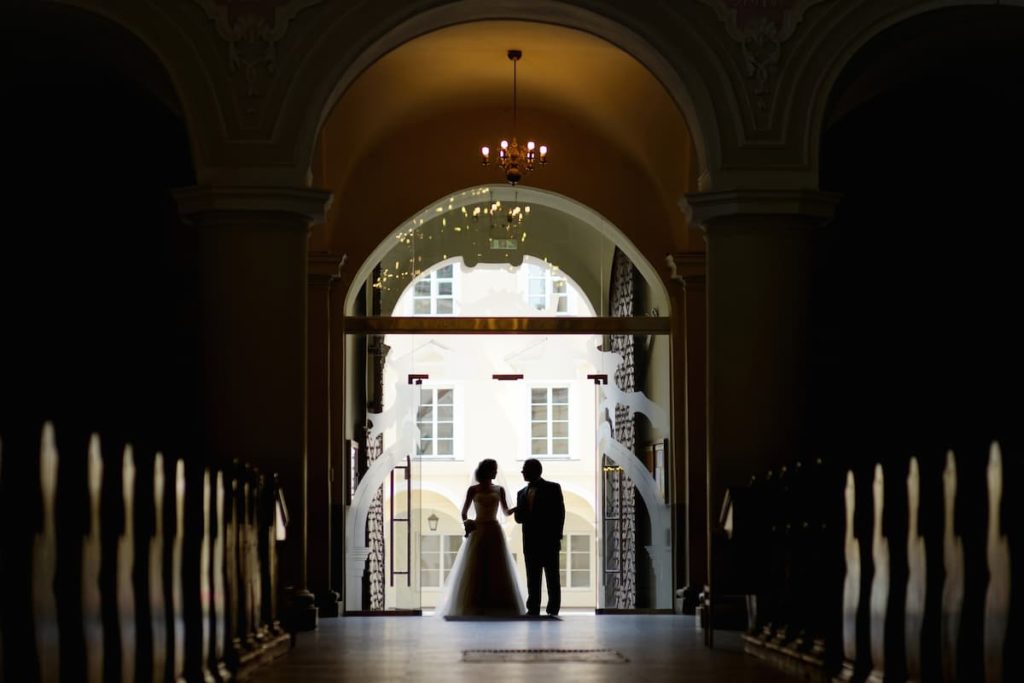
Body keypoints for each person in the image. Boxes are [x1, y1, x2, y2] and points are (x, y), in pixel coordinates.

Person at [434, 459, 525, 617]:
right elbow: (463, 512)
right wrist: (466, 522)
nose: (496, 473)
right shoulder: (473, 490)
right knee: (476, 565)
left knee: (497, 566)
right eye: (494, 470)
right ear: (487, 471)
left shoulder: (499, 489)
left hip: (494, 529)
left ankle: (498, 605)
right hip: (478, 529)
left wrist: (520, 506)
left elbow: (506, 512)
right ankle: (473, 604)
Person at [514, 458, 565, 616]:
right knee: (532, 578)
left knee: (552, 578)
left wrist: (556, 537)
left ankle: (553, 609)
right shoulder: (521, 493)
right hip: (530, 542)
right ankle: (533, 608)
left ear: (535, 470)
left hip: (549, 541)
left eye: (525, 469)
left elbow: (559, 513)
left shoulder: (553, 488)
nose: (522, 472)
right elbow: (519, 519)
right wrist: (518, 512)